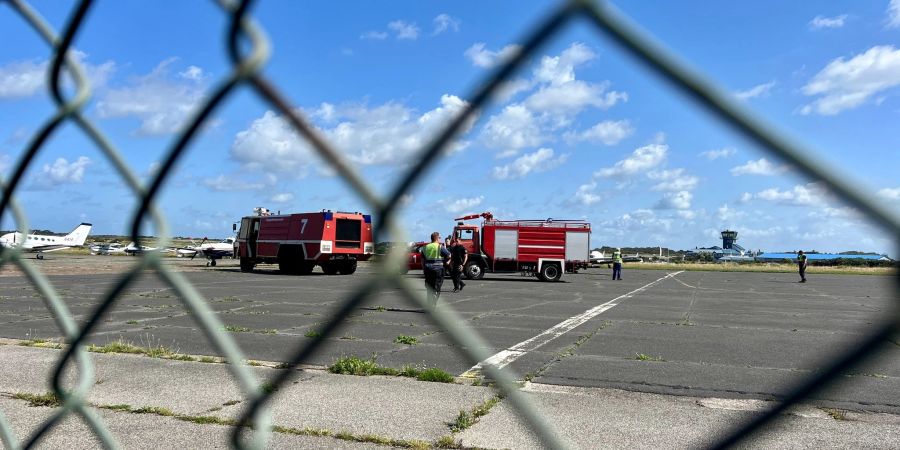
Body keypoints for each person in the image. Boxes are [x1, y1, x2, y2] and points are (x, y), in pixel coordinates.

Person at [421, 231, 450, 307]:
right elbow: (449, 255)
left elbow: (422, 260)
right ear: (437, 238)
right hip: (438, 269)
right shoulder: (440, 247)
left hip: (428, 269)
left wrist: (424, 269)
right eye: (439, 238)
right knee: (437, 287)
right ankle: (433, 303)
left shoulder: (425, 247)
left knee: (429, 288)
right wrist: (446, 262)